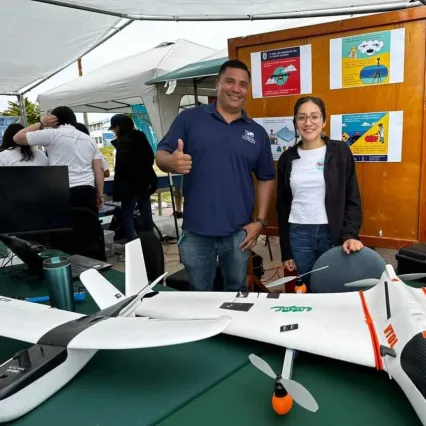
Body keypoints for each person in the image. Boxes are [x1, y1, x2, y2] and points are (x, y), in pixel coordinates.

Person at [155, 59, 275, 292]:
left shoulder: (256, 133)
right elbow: (161, 155)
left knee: (237, 291)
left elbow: (266, 177)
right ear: (218, 84)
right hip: (196, 231)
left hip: (238, 232)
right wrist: (171, 162)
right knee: (199, 293)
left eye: (242, 84)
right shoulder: (189, 119)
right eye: (229, 81)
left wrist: (259, 222)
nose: (236, 89)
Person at [276, 96, 364, 289]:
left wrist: (350, 234)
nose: (308, 123)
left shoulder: (340, 151)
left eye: (314, 117)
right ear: (295, 123)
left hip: (331, 233)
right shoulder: (287, 158)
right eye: (302, 118)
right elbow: (282, 205)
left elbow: (352, 198)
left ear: (324, 121)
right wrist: (286, 251)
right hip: (299, 234)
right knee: (307, 285)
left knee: (335, 285)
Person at [13, 106, 105, 214]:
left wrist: (41, 124)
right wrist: (99, 195)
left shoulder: (52, 134)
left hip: (62, 191)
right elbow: (99, 169)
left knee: (64, 228)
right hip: (87, 191)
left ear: (54, 120)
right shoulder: (89, 140)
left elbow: (17, 138)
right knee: (86, 226)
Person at [109, 114, 157, 242]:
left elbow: (127, 165)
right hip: (145, 182)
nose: (114, 132)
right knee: (146, 212)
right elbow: (150, 158)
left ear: (118, 127)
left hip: (130, 186)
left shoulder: (123, 141)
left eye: (114, 129)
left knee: (127, 214)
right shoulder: (140, 136)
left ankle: (132, 242)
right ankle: (151, 240)